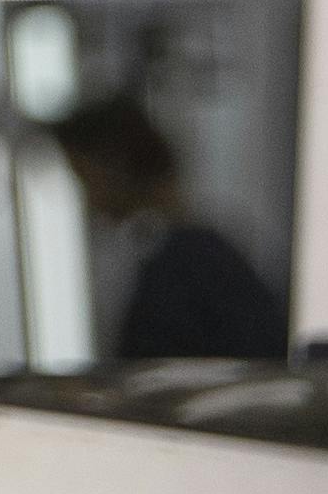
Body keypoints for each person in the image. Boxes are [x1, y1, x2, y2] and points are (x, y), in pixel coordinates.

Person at [49, 95, 289, 363]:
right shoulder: (182, 253)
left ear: (113, 166)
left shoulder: (186, 261)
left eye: (85, 180)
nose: (88, 200)